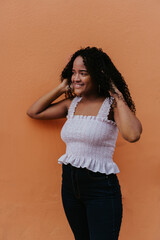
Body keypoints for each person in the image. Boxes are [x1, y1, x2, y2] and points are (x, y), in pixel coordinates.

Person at [27, 46, 142, 240]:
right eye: (73, 73)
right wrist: (61, 88)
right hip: (70, 186)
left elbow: (132, 135)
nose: (76, 78)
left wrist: (116, 92)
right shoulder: (71, 104)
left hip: (100, 189)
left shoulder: (111, 106)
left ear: (98, 75)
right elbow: (34, 112)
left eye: (83, 73)